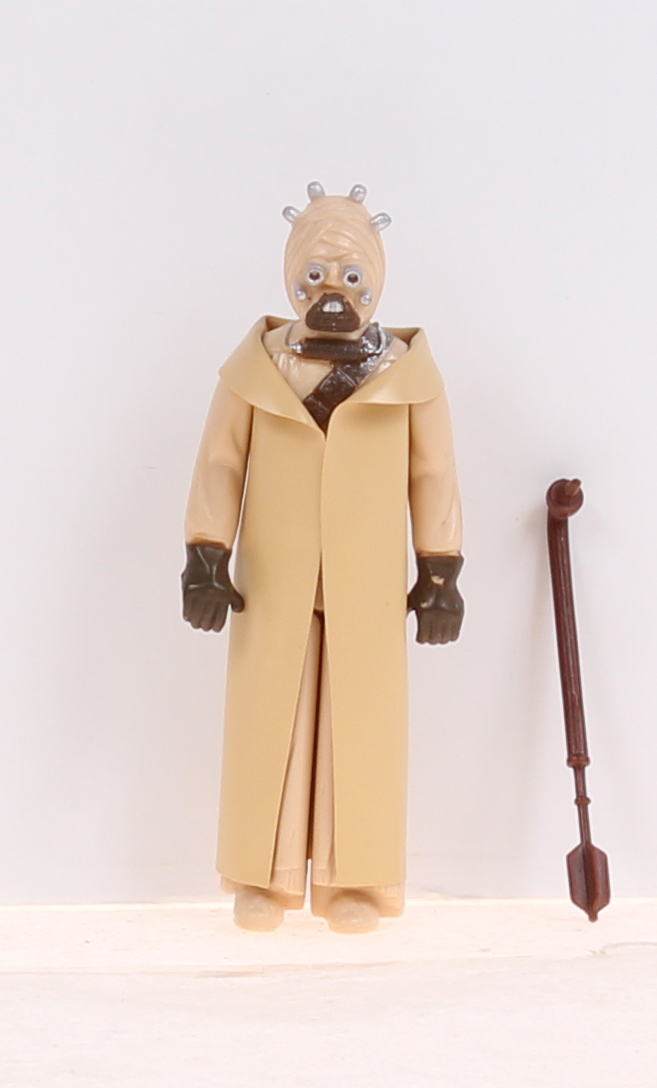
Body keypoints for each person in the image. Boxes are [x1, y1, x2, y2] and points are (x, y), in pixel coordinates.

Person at [182, 183, 464, 933]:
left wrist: (439, 571)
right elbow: (220, 464)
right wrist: (206, 555)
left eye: (351, 275)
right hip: (274, 578)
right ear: (291, 276)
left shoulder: (407, 376)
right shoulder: (256, 370)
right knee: (265, 721)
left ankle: (357, 881)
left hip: (365, 579)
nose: (332, 291)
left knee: (361, 725)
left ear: (376, 279)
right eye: (315, 274)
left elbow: (433, 474)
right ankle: (261, 877)